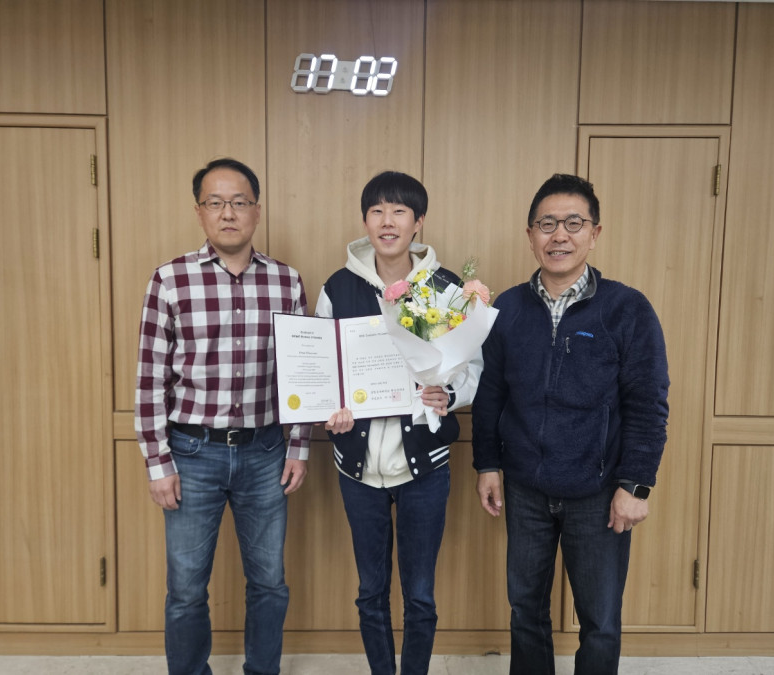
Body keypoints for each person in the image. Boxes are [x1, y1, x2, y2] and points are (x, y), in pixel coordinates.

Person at [472, 174, 669, 675]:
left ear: (594, 233)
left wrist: (635, 485)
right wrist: (487, 464)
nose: (559, 235)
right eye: (547, 224)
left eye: (573, 223)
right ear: (530, 235)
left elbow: (648, 403)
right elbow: (491, 394)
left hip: (598, 493)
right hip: (525, 488)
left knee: (599, 621)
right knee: (525, 613)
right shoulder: (507, 309)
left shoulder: (627, 308)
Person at [135, 158, 311, 675]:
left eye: (238, 202)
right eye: (215, 203)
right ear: (200, 212)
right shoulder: (170, 280)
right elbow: (150, 379)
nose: (227, 213)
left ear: (256, 211)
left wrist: (299, 446)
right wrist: (158, 463)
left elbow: (301, 373)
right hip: (191, 453)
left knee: (270, 583)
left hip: (266, 452)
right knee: (187, 589)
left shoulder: (286, 281)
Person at [316, 171, 482, 675]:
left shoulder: (446, 287)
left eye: (399, 211)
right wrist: (331, 408)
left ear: (418, 221)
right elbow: (322, 368)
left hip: (425, 467)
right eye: (377, 211)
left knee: (420, 595)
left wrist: (447, 395)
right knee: (370, 593)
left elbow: (472, 369)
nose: (387, 222)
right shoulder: (338, 287)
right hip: (357, 469)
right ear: (365, 220)